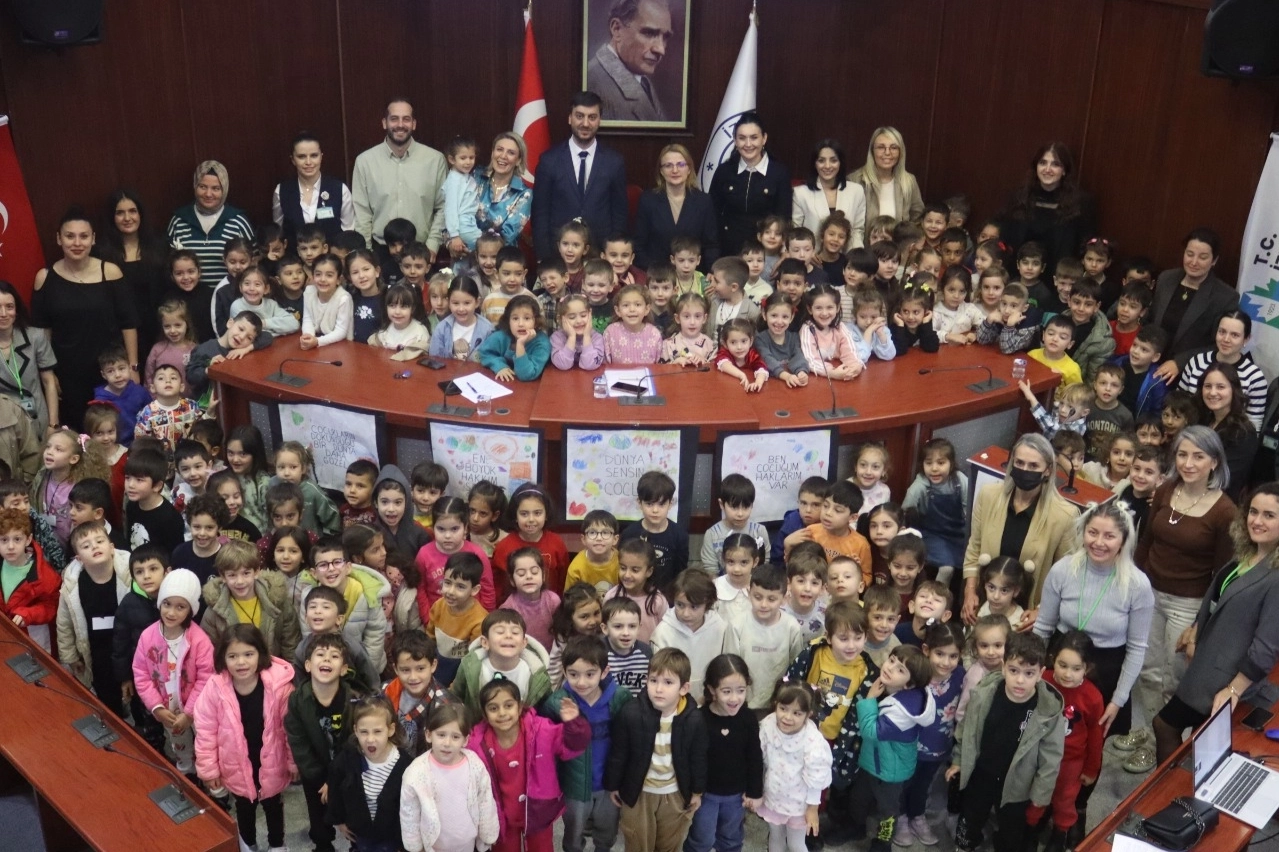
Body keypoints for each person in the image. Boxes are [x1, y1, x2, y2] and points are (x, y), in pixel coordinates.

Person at [1124, 425, 1236, 772]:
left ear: (1214, 462)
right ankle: (1145, 731)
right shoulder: (1165, 489)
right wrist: (1132, 582)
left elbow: (1222, 575)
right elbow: (1146, 541)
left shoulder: (1225, 511)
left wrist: (1200, 622)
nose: (1188, 463)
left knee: (1171, 679)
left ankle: (1161, 741)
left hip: (1188, 603)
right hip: (1149, 593)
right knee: (1145, 670)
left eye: (1198, 456)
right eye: (1183, 455)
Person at [1153, 484, 1279, 763]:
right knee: (1192, 742)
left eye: (1269, 515)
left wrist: (1234, 689)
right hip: (1206, 666)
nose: (1257, 521)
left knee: (1170, 728)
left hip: (1226, 679)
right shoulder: (1248, 553)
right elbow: (1218, 597)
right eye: (1253, 512)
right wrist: (1196, 628)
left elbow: (1266, 648)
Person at [1034, 501, 1154, 746]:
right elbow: (1043, 628)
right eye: (1093, 532)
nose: (1099, 542)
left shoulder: (1137, 585)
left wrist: (1118, 700)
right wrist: (1032, 671)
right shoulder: (1063, 570)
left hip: (1106, 672)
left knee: (1089, 745)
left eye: (1109, 536)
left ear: (1123, 540)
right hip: (1060, 663)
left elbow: (1136, 649)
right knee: (1045, 737)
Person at [32, 209, 140, 432]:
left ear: (93, 238)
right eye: (70, 236)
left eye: (83, 236)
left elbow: (128, 324)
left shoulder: (110, 272)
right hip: (67, 373)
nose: (77, 243)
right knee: (77, 433)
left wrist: (133, 366)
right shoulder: (45, 277)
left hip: (110, 372)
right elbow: (42, 332)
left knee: (114, 431)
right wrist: (48, 374)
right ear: (59, 239)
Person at [961, 433, 1078, 627]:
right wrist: (970, 591)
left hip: (1027, 613)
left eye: (1033, 466)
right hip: (986, 602)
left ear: (1048, 470)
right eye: (1020, 463)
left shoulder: (1064, 515)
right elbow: (974, 548)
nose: (1025, 470)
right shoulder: (988, 495)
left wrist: (1041, 611)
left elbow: (1066, 576)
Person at [532, 92, 628, 262]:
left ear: (599, 120)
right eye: (579, 116)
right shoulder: (549, 160)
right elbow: (540, 213)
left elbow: (619, 213)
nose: (585, 123)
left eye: (592, 117)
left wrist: (612, 255)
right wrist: (544, 258)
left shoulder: (614, 162)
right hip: (558, 256)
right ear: (570, 118)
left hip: (600, 257)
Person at [351, 98, 448, 263]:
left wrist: (432, 244)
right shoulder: (365, 161)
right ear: (384, 123)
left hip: (421, 252)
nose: (400, 125)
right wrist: (366, 253)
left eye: (406, 119)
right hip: (380, 253)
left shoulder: (435, 160)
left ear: (414, 124)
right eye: (394, 119)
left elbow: (443, 206)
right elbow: (362, 212)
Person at [1148, 229, 1239, 373]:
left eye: (1203, 257)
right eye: (1190, 254)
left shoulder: (1225, 297)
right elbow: (1151, 319)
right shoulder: (1166, 279)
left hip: (1190, 369)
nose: (1194, 262)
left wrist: (1180, 363)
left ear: (1214, 260)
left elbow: (1219, 344)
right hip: (1150, 359)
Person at [998, 142, 1097, 272]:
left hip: (1060, 277)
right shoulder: (1018, 198)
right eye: (1043, 163)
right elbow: (1006, 240)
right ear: (1036, 167)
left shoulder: (1081, 203)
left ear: (1064, 170)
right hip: (1019, 275)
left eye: (1055, 164)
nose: (1047, 169)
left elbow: (1083, 247)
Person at [96, 189, 168, 368]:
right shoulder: (101, 252)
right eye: (120, 213)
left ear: (140, 214)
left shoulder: (159, 246)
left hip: (158, 329)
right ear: (112, 217)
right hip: (119, 334)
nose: (127, 218)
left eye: (132, 211)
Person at [709, 113, 793, 261]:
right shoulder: (724, 171)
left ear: (764, 138)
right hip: (729, 251)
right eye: (742, 138)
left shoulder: (779, 173)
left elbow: (784, 218)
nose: (748, 144)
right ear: (735, 140)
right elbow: (712, 214)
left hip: (765, 255)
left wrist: (784, 250)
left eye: (754, 137)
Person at [167, 160, 255, 290]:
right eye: (203, 187)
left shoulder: (238, 221)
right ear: (195, 186)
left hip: (231, 297)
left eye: (216, 188)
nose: (208, 194)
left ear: (224, 189)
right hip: (189, 298)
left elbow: (254, 262)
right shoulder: (178, 221)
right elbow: (170, 265)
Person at [634, 144, 719, 271]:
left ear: (689, 169)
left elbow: (711, 245)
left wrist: (711, 272)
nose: (675, 170)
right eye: (668, 165)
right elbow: (638, 245)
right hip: (658, 276)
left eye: (681, 164)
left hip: (693, 274)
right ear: (661, 171)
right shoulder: (648, 200)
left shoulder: (703, 201)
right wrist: (655, 272)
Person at [587, 0, 675, 123]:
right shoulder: (591, 84)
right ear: (617, 29)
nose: (661, 49)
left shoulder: (642, 80)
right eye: (649, 33)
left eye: (665, 37)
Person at [272, 132, 354, 247]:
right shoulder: (282, 191)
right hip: (295, 257)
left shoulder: (339, 189)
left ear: (321, 157)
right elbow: (279, 233)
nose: (308, 162)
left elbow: (348, 233)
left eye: (314, 155)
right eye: (301, 157)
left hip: (330, 257)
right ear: (293, 160)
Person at [0, 281, 58, 436]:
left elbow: (49, 382)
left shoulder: (35, 337)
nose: (3, 314)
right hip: (4, 425)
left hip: (37, 418)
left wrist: (53, 424)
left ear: (16, 310)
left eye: (9, 307)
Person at [847, 127, 924, 233]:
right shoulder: (855, 180)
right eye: (881, 147)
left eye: (894, 147)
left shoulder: (909, 181)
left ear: (900, 152)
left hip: (899, 243)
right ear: (872, 151)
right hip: (863, 243)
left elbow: (918, 219)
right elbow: (848, 223)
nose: (887, 152)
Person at [792, 139, 866, 248]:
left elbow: (858, 231)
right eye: (821, 161)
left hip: (848, 256)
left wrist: (854, 255)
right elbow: (795, 232)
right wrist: (807, 253)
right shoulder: (801, 193)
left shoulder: (856, 191)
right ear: (815, 164)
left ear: (840, 163)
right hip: (812, 256)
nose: (827, 166)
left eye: (833, 160)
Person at [473, 132, 534, 249]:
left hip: (500, 256)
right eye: (499, 149)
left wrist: (477, 248)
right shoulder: (476, 176)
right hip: (465, 252)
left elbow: (507, 235)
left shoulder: (524, 193)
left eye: (511, 153)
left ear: (518, 160)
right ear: (492, 153)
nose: (503, 156)